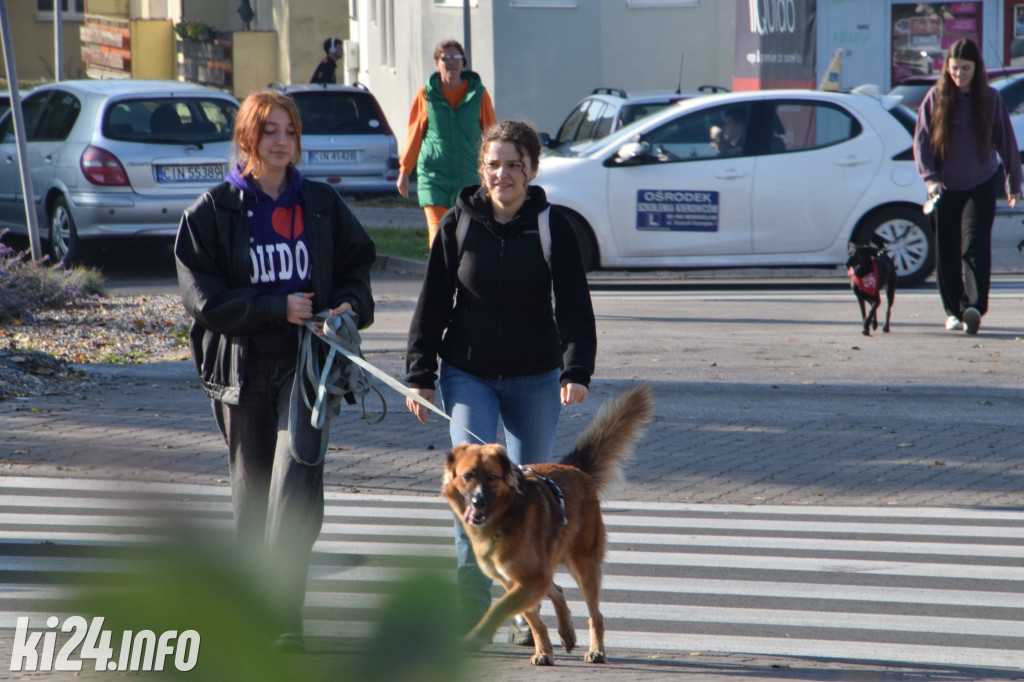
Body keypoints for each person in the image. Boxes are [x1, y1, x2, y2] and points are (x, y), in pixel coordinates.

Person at [174, 90, 376, 652]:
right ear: (248, 139)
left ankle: (287, 619)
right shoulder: (213, 211)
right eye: (270, 131)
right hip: (239, 369)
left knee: (297, 482)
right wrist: (274, 307)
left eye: (289, 130)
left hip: (305, 367)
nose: (282, 141)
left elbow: (359, 264)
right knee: (253, 496)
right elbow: (202, 297)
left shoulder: (320, 203)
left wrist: (347, 308)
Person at [403, 120, 597, 634]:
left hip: (537, 376)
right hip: (468, 373)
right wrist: (420, 375)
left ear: (532, 170)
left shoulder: (555, 227)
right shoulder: (458, 224)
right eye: (494, 165)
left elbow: (576, 306)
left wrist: (576, 369)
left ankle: (523, 594)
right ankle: (471, 601)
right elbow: (431, 303)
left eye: (514, 165)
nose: (503, 174)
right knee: (472, 481)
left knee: (525, 492)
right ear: (481, 170)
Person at [913, 38, 1022, 334]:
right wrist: (931, 179)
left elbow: (1006, 141)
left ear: (977, 68)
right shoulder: (936, 98)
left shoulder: (990, 99)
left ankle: (974, 307)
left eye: (965, 68)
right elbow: (921, 143)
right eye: (954, 68)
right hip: (944, 187)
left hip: (981, 183)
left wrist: (1014, 181)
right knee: (946, 249)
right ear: (946, 68)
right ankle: (953, 310)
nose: (959, 74)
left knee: (974, 246)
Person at [396, 39, 497, 246]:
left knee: (467, 234)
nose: (452, 62)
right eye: (446, 58)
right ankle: (440, 277)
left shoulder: (479, 94)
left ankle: (460, 278)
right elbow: (414, 135)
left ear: (464, 63)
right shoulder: (426, 95)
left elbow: (491, 136)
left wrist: (494, 171)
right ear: (437, 63)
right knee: (438, 233)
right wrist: (404, 172)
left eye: (457, 58)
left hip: (469, 176)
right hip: (434, 177)